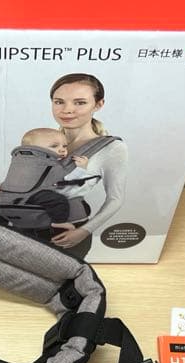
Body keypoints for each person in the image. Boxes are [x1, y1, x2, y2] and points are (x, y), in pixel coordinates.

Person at [46, 73, 128, 260]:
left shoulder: (112, 148)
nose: (67, 110)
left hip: (70, 231)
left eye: (80, 102)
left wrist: (83, 231)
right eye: (59, 102)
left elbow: (115, 199)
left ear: (98, 104)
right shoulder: (43, 140)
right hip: (30, 226)